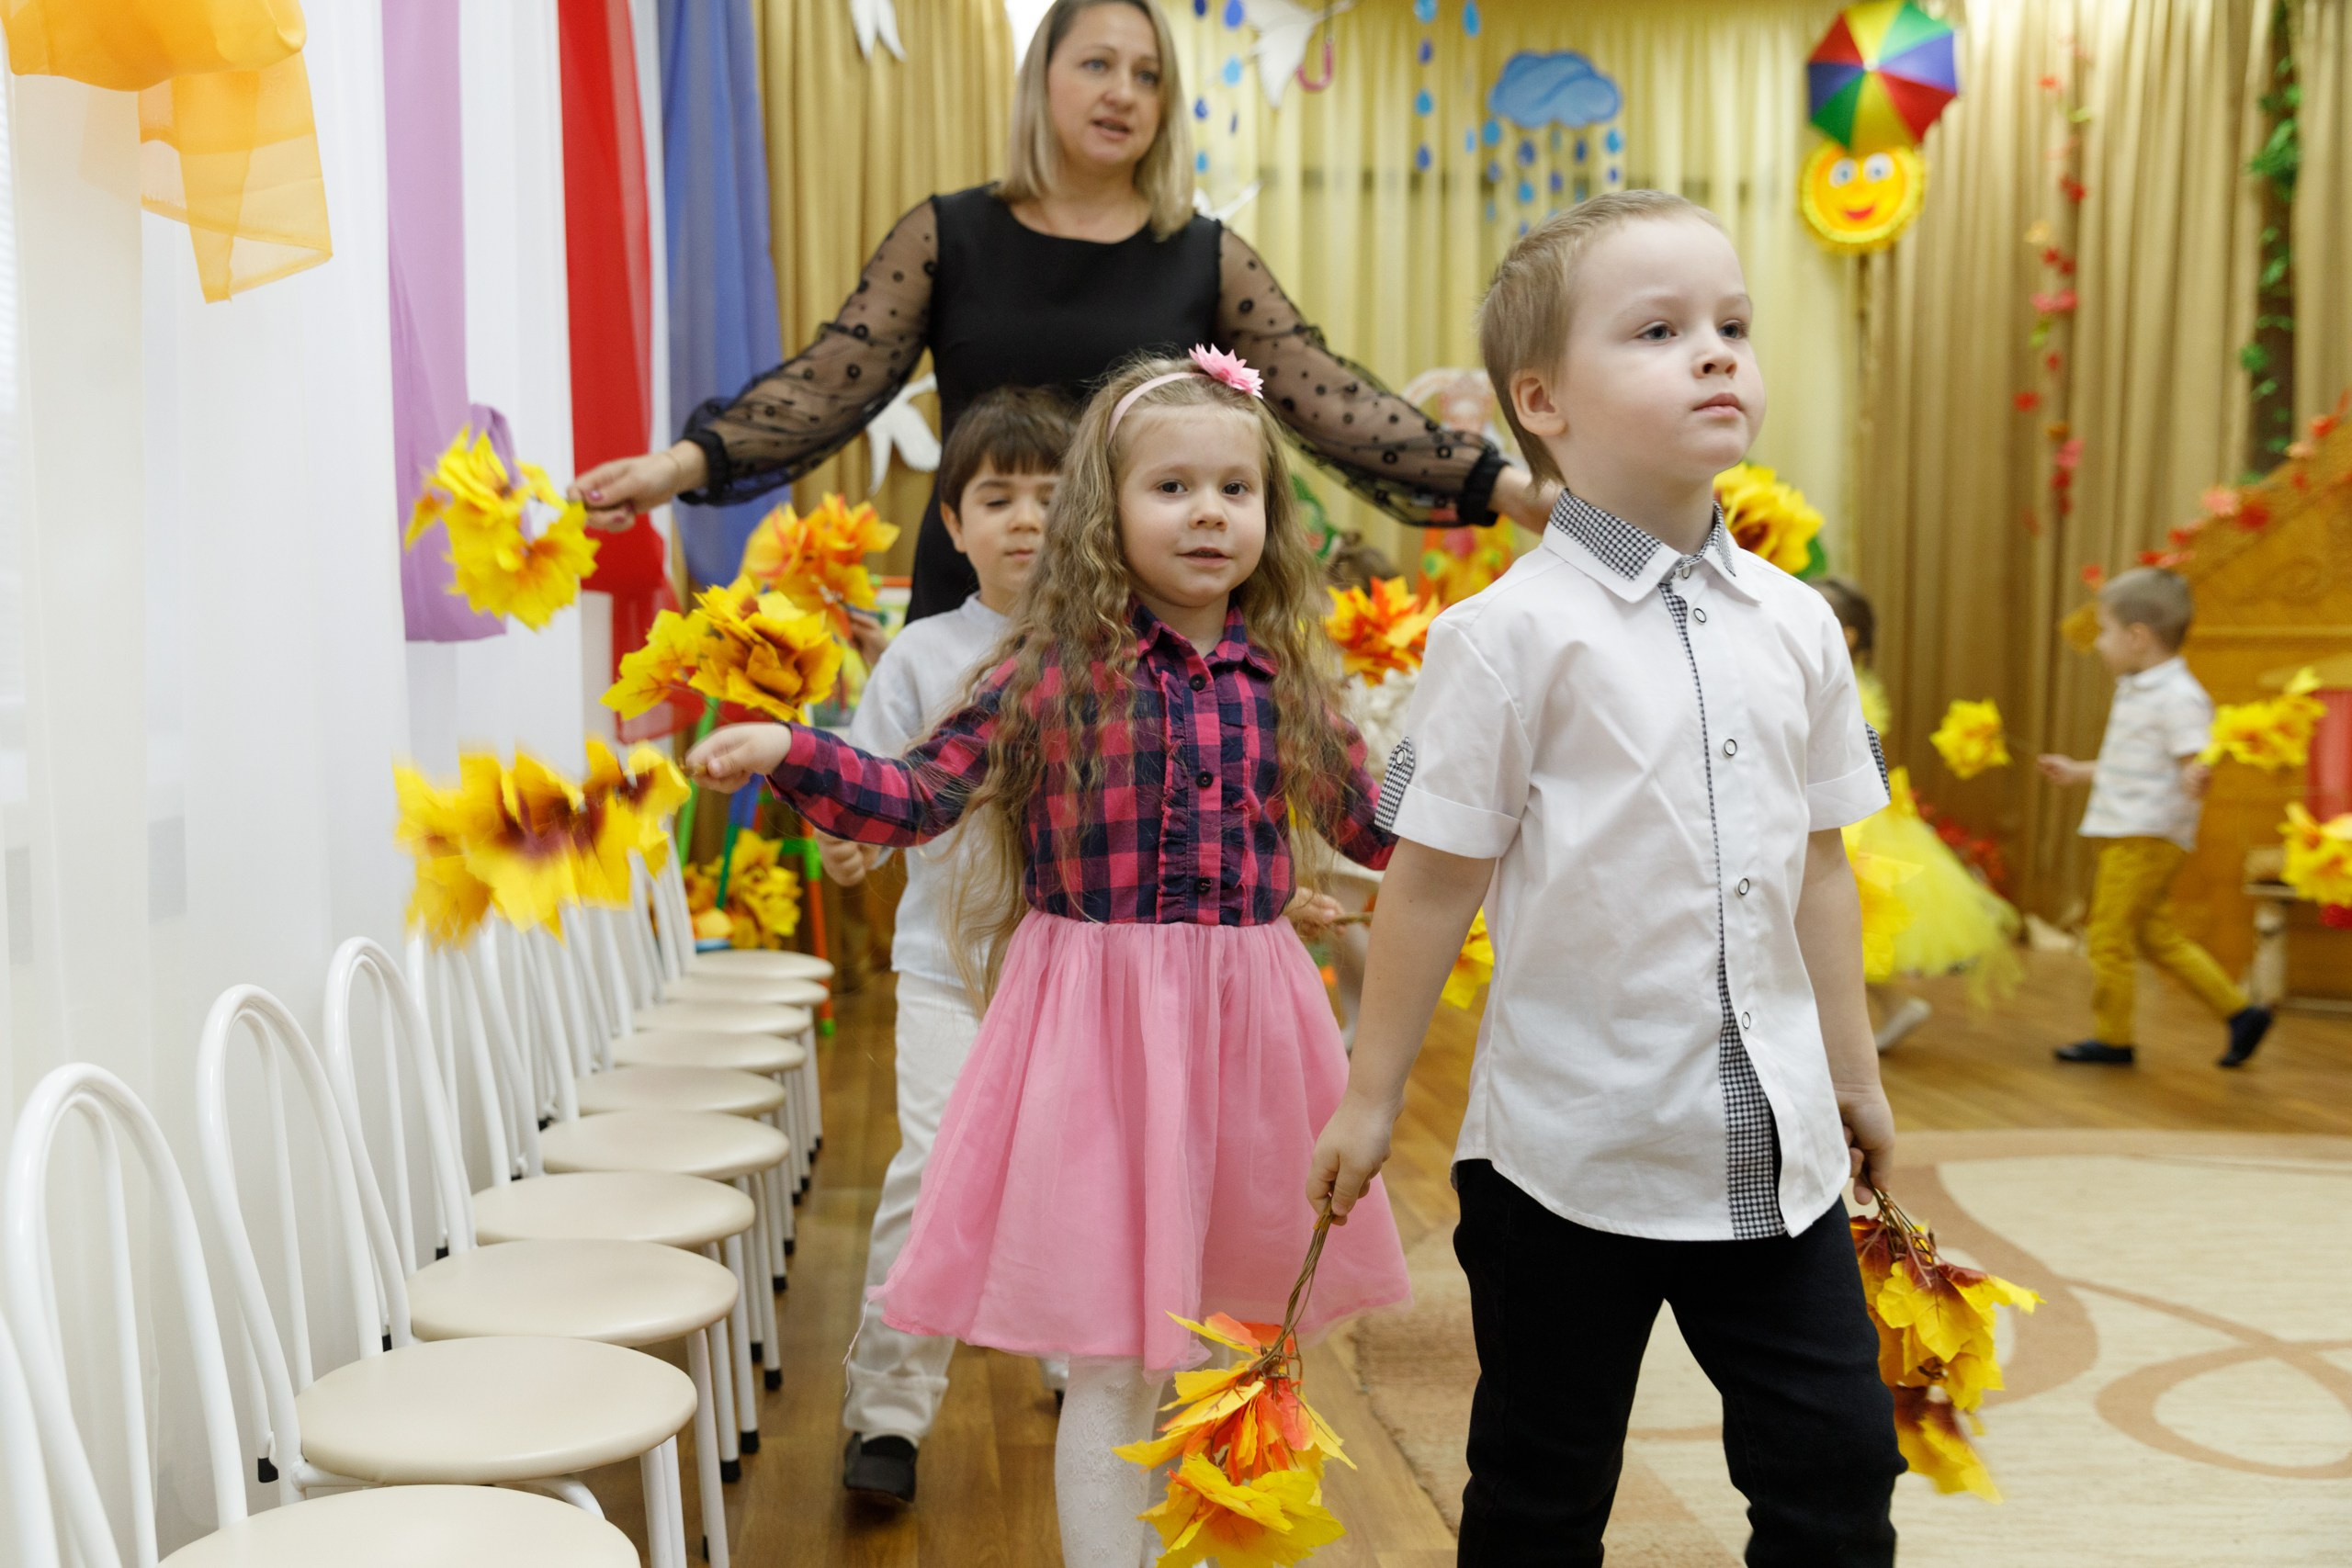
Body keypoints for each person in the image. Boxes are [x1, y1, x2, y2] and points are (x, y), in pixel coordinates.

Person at [686, 349, 1410, 1565]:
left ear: (1269, 516)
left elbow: (1381, 826)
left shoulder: (1285, 680)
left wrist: (1479, 745)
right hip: (1097, 1024)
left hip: (1250, 1028)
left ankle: (1245, 1539)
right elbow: (915, 792)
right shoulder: (1043, 670)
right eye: (1171, 486)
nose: (1209, 513)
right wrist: (787, 747)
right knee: (1120, 1359)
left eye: (1235, 489)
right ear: (1104, 512)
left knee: (1245, 1330)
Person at [1306, 192, 1905, 1566]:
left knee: (1835, 1473)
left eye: (1733, 326)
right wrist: (1371, 1092)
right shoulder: (1504, 637)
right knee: (1540, 1486)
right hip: (1570, 1162)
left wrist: (1858, 1080)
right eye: (1659, 329)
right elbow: (1431, 885)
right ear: (1544, 400)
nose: (1716, 354)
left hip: (1780, 1156)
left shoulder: (1801, 621)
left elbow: (1818, 868)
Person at [570, 0, 1555, 622]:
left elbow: (1326, 398)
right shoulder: (947, 235)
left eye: (1148, 74)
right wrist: (677, 467)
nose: (1122, 91)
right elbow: (831, 382)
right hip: (981, 600)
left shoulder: (1205, 255)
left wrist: (1500, 485)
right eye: (1096, 64)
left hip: (1148, 608)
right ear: (1041, 81)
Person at [808, 388, 1073, 1504]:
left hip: (1082, 979)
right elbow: (863, 792)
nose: (1024, 519)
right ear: (954, 526)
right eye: (995, 497)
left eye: (1051, 497)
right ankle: (886, 1416)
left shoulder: (1116, 652)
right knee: (936, 1173)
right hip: (946, 976)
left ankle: (1079, 1352)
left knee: (1078, 1176)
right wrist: (845, 845)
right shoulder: (923, 655)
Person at [2036, 567, 2274, 1067]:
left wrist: (2198, 774)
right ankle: (2239, 1012)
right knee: (2155, 935)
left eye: (2105, 631)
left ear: (2138, 637)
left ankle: (2114, 1037)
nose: (2099, 644)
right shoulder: (2139, 685)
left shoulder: (2178, 696)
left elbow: (2196, 759)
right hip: (2129, 828)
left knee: (2108, 937)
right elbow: (2135, 763)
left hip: (2144, 834)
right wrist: (2078, 772)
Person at [1813, 577, 2022, 1050]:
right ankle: (1887, 1010)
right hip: (1856, 816)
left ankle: (1875, 1017)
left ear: (1844, 635)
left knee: (1842, 929)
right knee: (1835, 932)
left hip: (1855, 823)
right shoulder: (1840, 680)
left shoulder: (1846, 685)